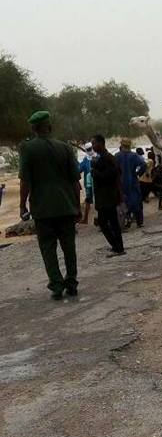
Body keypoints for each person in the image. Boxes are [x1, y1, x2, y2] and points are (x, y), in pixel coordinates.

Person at [19, 110, 81, 299]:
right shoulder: (65, 148)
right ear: (50, 127)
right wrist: (76, 207)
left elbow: (25, 182)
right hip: (66, 207)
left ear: (34, 129)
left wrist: (22, 206)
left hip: (42, 209)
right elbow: (75, 182)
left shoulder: (27, 149)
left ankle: (56, 284)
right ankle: (72, 282)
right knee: (69, 247)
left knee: (48, 248)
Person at [91, 134, 125, 256]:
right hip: (107, 197)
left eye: (94, 143)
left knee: (104, 223)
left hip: (107, 197)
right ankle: (118, 246)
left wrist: (95, 172)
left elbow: (111, 175)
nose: (93, 146)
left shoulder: (107, 158)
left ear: (101, 143)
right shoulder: (105, 157)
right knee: (112, 223)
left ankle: (117, 247)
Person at [116, 138, 145, 228]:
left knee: (124, 201)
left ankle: (127, 220)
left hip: (121, 182)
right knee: (136, 200)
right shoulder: (134, 156)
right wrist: (138, 174)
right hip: (133, 181)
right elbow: (143, 165)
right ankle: (139, 222)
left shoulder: (117, 156)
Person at [79, 142, 95, 224]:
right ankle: (85, 219)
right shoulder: (85, 159)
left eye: (90, 148)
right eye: (88, 149)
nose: (90, 151)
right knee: (88, 200)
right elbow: (79, 169)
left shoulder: (97, 157)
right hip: (89, 184)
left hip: (96, 183)